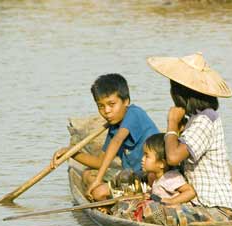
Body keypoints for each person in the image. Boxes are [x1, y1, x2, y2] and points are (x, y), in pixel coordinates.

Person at [146, 52, 232, 221]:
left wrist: (172, 123)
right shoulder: (196, 119)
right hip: (199, 205)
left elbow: (173, 158)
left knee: (154, 212)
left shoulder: (205, 120)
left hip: (216, 210)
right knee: (152, 207)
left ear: (180, 93)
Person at [51, 73, 159, 201]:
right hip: (132, 177)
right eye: (101, 106)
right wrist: (71, 153)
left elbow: (117, 141)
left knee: (98, 191)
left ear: (126, 101)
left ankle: (115, 200)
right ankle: (109, 203)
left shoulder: (134, 113)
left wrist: (98, 180)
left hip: (151, 177)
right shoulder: (114, 128)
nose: (106, 111)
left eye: (111, 104)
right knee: (86, 175)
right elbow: (100, 162)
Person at [141, 133, 196, 205]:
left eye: (146, 156)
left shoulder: (170, 177)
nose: (142, 159)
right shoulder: (158, 178)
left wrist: (172, 201)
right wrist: (150, 195)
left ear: (161, 163)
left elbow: (190, 192)